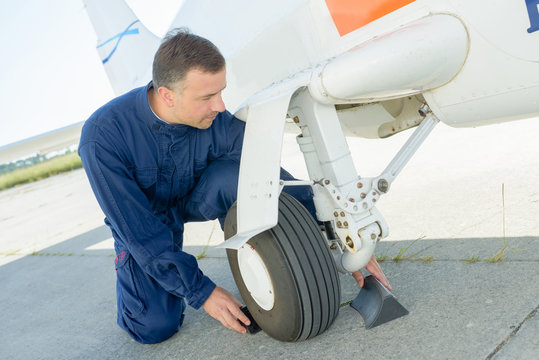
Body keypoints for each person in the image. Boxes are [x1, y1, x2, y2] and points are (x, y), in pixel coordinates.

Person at [79, 28, 390, 344]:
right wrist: (205, 293)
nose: (220, 105)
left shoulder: (217, 121)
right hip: (144, 218)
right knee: (154, 327)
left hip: (194, 198)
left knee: (235, 175)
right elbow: (139, 232)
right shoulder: (102, 139)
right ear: (167, 95)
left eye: (220, 92)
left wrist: (341, 233)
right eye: (206, 97)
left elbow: (274, 180)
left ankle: (261, 262)